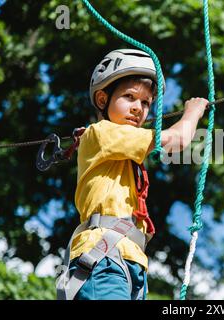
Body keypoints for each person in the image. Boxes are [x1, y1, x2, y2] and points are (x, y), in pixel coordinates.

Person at [56, 48, 208, 300]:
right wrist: (193, 111)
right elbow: (178, 139)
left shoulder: (124, 152)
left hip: (131, 262)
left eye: (146, 102)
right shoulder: (101, 133)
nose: (138, 108)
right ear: (103, 100)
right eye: (129, 97)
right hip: (104, 259)